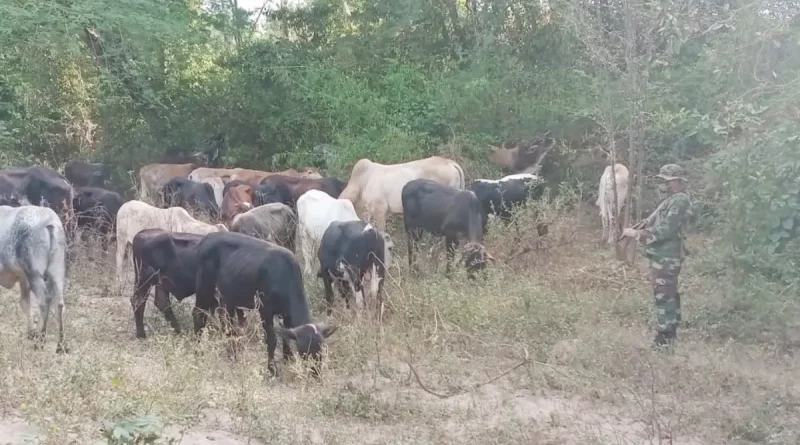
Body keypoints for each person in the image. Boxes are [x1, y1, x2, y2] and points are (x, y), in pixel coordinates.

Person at [622, 164, 692, 348]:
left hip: (667, 258)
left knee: (664, 296)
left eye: (666, 181)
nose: (662, 185)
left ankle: (664, 338)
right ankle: (669, 335)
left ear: (676, 181)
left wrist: (638, 234)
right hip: (662, 257)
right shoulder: (670, 200)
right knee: (667, 294)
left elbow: (666, 230)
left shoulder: (680, 200)